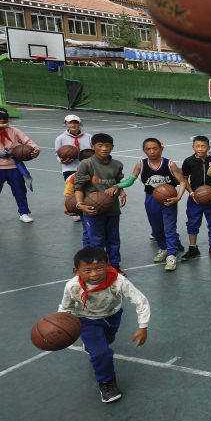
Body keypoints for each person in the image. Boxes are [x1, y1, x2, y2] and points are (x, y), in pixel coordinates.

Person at [58, 246, 149, 403]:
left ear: (108, 266)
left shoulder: (118, 281)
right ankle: (107, 383)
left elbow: (141, 301)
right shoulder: (72, 286)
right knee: (102, 353)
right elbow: (66, 308)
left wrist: (143, 327)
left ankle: (92, 346)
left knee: (107, 341)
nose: (94, 274)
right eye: (88, 270)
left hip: (112, 316)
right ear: (76, 271)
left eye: (99, 268)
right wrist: (60, 325)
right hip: (86, 320)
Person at [118, 138, 186, 272]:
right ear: (144, 150)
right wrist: (116, 186)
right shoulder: (141, 164)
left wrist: (178, 197)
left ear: (161, 149)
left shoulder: (169, 164)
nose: (152, 151)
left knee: (170, 228)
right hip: (151, 198)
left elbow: (182, 181)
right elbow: (130, 181)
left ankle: (172, 254)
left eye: (155, 148)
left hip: (169, 199)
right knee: (156, 228)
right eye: (148, 149)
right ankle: (164, 248)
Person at [0, 106, 39, 229]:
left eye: (5, 118)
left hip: (13, 166)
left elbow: (29, 142)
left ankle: (24, 213)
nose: (2, 120)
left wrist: (36, 149)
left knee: (20, 191)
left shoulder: (14, 130)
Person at [74, 133, 127, 272]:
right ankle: (97, 268)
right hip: (92, 210)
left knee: (114, 239)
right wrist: (80, 205)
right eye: (100, 146)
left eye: (107, 146)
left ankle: (114, 266)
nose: (104, 148)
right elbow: (78, 187)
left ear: (112, 147)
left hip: (112, 208)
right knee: (96, 241)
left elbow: (117, 183)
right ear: (93, 147)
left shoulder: (117, 165)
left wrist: (121, 192)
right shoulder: (86, 164)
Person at [180, 135, 211, 261]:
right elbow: (184, 179)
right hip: (195, 198)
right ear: (193, 147)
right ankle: (193, 248)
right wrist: (192, 193)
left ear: (208, 147)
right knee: (192, 223)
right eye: (197, 146)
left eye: (203, 146)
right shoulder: (188, 161)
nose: (200, 149)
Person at [54, 113, 92, 182]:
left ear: (80, 124)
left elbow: (94, 151)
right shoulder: (60, 138)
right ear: (65, 124)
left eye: (76, 123)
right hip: (69, 168)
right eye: (70, 123)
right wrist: (62, 161)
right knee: (71, 190)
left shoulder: (89, 137)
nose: (73, 125)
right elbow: (57, 153)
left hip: (87, 168)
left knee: (88, 189)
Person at [63, 173, 91, 248]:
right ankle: (87, 251)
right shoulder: (73, 177)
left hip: (98, 206)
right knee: (88, 231)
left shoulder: (100, 172)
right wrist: (66, 207)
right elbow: (68, 193)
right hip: (84, 207)